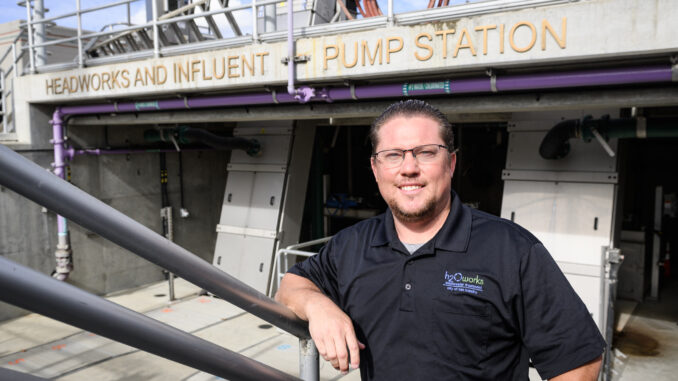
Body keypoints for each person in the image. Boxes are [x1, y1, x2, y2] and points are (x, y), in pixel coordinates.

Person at [276, 99, 605, 380]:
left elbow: (579, 359)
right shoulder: (351, 245)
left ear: (451, 163)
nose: (409, 168)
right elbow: (290, 286)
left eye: (425, 153)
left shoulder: (512, 250)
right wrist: (318, 306)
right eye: (393, 155)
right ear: (375, 169)